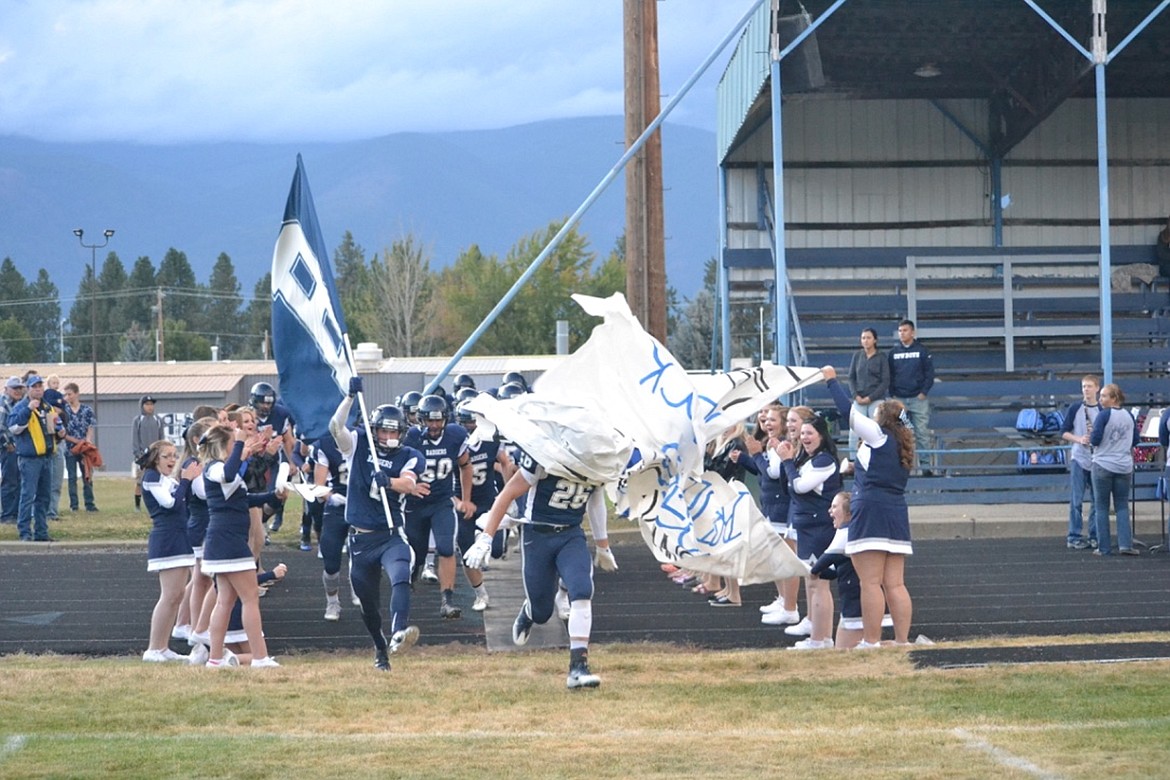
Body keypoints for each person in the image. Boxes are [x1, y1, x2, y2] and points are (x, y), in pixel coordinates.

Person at [465, 445, 617, 689]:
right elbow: (508, 494)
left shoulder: (594, 457)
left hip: (571, 534)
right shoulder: (547, 456)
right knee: (542, 611)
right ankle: (529, 612)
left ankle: (578, 666)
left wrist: (603, 546)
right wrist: (486, 538)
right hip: (538, 536)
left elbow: (595, 500)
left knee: (582, 589)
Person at [330, 377, 426, 671]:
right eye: (384, 430)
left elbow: (409, 485)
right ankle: (380, 647)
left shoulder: (410, 456)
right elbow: (335, 427)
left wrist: (391, 482)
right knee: (368, 605)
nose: (388, 435)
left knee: (401, 574)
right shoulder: (359, 444)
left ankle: (399, 631)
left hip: (390, 535)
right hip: (360, 539)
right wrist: (348, 397)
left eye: (394, 430)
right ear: (375, 430)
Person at [824, 365, 915, 647]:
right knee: (895, 584)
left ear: (882, 419)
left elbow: (848, 412)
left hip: (871, 511)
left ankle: (871, 642)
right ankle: (902, 642)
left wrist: (831, 381)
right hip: (896, 511)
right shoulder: (903, 446)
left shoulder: (878, 435)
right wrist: (854, 468)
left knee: (870, 582)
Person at [200, 422, 284, 668]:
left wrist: (273, 497)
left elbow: (244, 499)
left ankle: (215, 659)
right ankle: (260, 658)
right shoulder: (214, 468)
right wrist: (238, 442)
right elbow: (228, 473)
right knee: (249, 599)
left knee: (225, 601)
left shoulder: (224, 470)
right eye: (233, 444)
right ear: (223, 447)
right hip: (229, 542)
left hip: (224, 540)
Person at [402, 394, 473, 619]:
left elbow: (466, 466)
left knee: (446, 547)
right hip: (415, 504)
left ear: (445, 419)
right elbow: (397, 468)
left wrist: (464, 498)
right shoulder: (411, 437)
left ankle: (447, 600)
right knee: (417, 553)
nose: (434, 425)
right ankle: (409, 580)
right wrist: (409, 487)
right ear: (421, 419)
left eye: (438, 420)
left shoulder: (455, 436)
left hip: (442, 502)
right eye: (429, 420)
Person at [778, 412, 841, 650]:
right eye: (802, 433)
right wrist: (790, 461)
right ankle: (819, 635)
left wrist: (786, 462)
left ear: (822, 436)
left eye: (809, 433)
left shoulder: (824, 460)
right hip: (807, 527)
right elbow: (789, 488)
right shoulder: (807, 459)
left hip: (818, 528)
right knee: (813, 581)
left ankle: (821, 639)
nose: (804, 437)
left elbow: (800, 487)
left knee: (819, 582)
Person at [140, 438, 199, 662]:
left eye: (175, 455)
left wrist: (191, 480)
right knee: (169, 595)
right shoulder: (152, 477)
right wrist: (185, 481)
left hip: (180, 537)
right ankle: (153, 648)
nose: (172, 460)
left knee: (177, 595)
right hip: (167, 539)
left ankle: (162, 648)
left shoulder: (167, 479)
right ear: (156, 458)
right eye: (167, 456)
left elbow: (186, 502)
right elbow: (170, 504)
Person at [454, 399, 514, 611]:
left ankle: (490, 536)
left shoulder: (490, 440)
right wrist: (459, 501)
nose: (470, 428)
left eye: (473, 423)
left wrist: (509, 494)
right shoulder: (454, 442)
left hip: (488, 502)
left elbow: (506, 462)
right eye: (466, 423)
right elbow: (441, 483)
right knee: (466, 553)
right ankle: (481, 594)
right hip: (463, 506)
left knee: (496, 550)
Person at [7, 375, 65, 542]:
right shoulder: (21, 407)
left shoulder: (47, 407)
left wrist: (61, 433)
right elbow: (14, 428)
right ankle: (24, 532)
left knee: (44, 497)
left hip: (47, 457)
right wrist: (28, 410)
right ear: (29, 389)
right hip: (30, 460)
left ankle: (41, 532)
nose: (38, 389)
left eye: (40, 386)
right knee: (28, 495)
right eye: (34, 386)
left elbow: (56, 425)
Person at [1090, 383, 1139, 557]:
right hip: (1124, 465)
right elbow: (1135, 440)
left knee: (1101, 506)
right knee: (1122, 505)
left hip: (1103, 463)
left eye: (1104, 396)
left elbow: (1095, 439)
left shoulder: (1103, 416)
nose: (1100, 399)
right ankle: (1125, 544)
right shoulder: (1128, 416)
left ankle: (1103, 547)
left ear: (1114, 398)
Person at [809, 492, 863, 650]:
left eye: (834, 507)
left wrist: (809, 571)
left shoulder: (846, 532)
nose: (830, 511)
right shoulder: (850, 530)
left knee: (844, 651)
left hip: (856, 601)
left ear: (848, 513)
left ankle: (905, 646)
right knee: (858, 649)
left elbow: (820, 565)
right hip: (853, 600)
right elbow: (832, 572)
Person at [888, 319, 934, 473]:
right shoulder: (893, 353)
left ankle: (926, 467)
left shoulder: (922, 351)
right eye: (900, 331)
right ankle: (901, 466)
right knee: (900, 434)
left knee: (921, 432)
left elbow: (929, 374)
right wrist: (892, 395)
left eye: (905, 330)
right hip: (899, 400)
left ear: (913, 332)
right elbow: (890, 375)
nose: (902, 333)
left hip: (917, 399)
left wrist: (923, 392)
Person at [1060, 375, 1100, 550]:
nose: (1086, 389)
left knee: (1097, 500)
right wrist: (1079, 439)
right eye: (1084, 386)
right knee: (1076, 500)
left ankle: (1094, 535)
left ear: (1097, 388)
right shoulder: (1076, 408)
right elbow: (1063, 432)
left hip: (1097, 459)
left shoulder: (1102, 410)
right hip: (1079, 458)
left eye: (1089, 386)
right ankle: (1074, 535)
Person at [847, 328, 890, 454]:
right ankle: (853, 460)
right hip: (859, 399)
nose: (865, 341)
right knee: (854, 432)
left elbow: (885, 380)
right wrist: (855, 395)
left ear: (875, 340)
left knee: (876, 430)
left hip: (876, 400)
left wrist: (870, 398)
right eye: (863, 338)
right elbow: (851, 377)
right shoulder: (857, 356)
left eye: (868, 338)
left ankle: (876, 458)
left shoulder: (881, 357)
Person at [60, 382, 98, 513]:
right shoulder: (64, 411)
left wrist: (87, 442)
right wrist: (74, 441)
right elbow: (61, 430)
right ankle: (74, 505)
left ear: (76, 394)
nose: (67, 397)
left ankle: (89, 503)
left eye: (69, 394)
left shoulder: (87, 410)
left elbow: (90, 426)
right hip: (70, 448)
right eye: (66, 394)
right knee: (71, 477)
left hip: (84, 449)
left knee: (87, 475)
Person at [0, 377, 25, 524]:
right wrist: (7, 444)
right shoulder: (3, 404)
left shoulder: (19, 404)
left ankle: (15, 513)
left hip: (20, 447)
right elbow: (0, 427)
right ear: (6, 389)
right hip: (8, 448)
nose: (18, 391)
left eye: (19, 388)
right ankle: (8, 515)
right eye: (14, 388)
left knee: (19, 481)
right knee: (10, 482)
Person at [132, 395, 163, 512]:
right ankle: (137, 505)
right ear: (142, 406)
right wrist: (138, 454)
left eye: (151, 404)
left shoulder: (158, 420)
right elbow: (135, 439)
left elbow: (162, 438)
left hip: (156, 455)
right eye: (147, 404)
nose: (150, 407)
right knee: (140, 481)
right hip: (142, 456)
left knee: (157, 480)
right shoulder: (138, 420)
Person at [43, 375, 67, 521]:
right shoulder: (46, 402)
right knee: (46, 481)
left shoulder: (62, 410)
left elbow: (62, 415)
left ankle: (52, 511)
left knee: (56, 482)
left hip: (59, 444)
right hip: (47, 446)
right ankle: (42, 511)